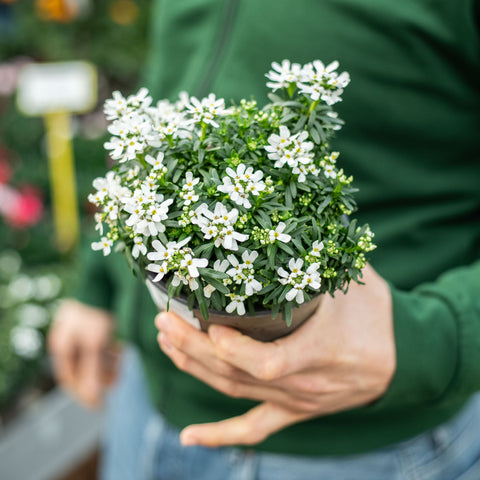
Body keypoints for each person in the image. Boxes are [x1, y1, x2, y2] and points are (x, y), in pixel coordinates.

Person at [48, 1, 480, 478]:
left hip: (364, 446)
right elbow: (178, 78)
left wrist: (438, 340)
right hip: (147, 402)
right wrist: (99, 284)